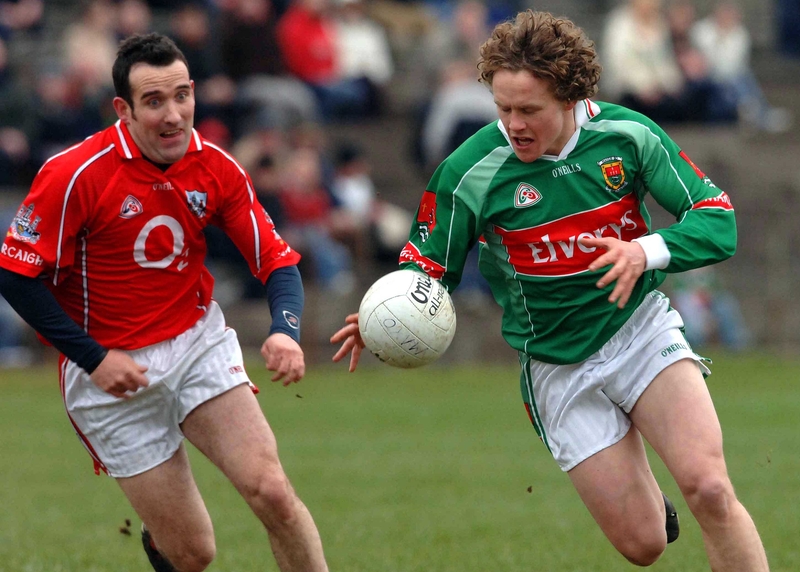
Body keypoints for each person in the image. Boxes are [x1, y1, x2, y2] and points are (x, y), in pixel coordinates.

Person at [331, 10, 769, 570]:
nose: (512, 124)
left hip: (639, 330)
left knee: (710, 489)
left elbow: (717, 218)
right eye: (502, 108)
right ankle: (644, 497)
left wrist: (643, 251)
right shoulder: (471, 170)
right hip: (556, 366)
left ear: (570, 98)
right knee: (645, 545)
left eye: (528, 110)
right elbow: (427, 268)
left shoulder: (628, 136)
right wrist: (384, 315)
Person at [0, 33, 329, 572]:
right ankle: (163, 541)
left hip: (196, 343)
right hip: (109, 371)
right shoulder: (74, 174)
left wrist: (284, 331)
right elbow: (15, 276)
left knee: (271, 490)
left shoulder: (216, 166)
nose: (174, 115)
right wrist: (94, 358)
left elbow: (278, 261)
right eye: (155, 102)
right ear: (123, 110)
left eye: (182, 96)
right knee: (194, 554)